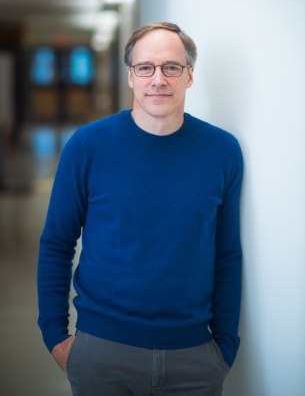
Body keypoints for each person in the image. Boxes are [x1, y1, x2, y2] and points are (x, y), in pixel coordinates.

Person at [37, 22, 243, 396]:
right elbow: (57, 242)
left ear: (190, 76)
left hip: (195, 357)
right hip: (102, 353)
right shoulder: (87, 146)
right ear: (131, 76)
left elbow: (227, 254)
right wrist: (55, 335)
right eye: (145, 67)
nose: (158, 79)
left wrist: (225, 347)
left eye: (171, 67)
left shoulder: (222, 151)